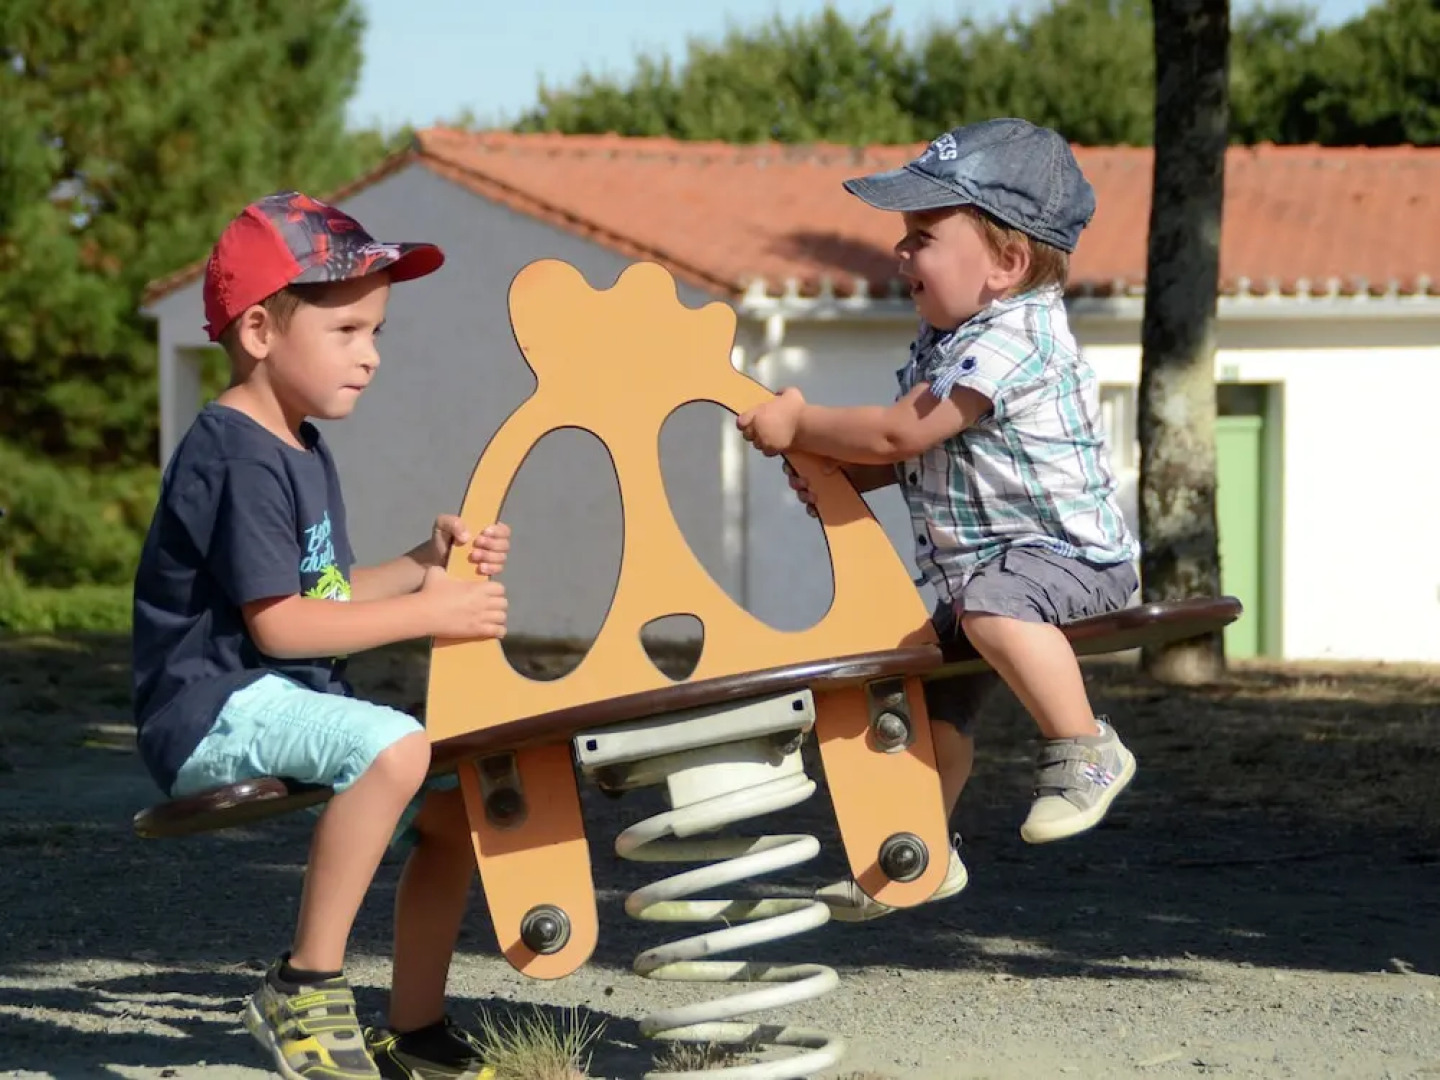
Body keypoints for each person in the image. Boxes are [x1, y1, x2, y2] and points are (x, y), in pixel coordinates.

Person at [132, 191, 510, 1080]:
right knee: (393, 746)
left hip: (272, 694)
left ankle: (415, 1031)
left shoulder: (296, 443)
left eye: (377, 332)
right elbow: (285, 625)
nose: (371, 355)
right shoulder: (236, 452)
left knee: (452, 797)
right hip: (210, 710)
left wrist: (422, 565)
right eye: (347, 332)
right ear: (260, 330)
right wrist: (430, 614)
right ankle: (302, 986)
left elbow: (323, 594)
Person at [736, 118, 1140, 922]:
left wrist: (802, 421)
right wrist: (837, 475)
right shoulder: (949, 341)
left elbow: (900, 433)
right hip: (987, 578)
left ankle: (1088, 750)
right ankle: (918, 850)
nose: (900, 252)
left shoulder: (1015, 337)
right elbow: (909, 455)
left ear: (1006, 264)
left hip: (1068, 560)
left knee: (991, 610)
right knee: (925, 701)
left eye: (922, 236)